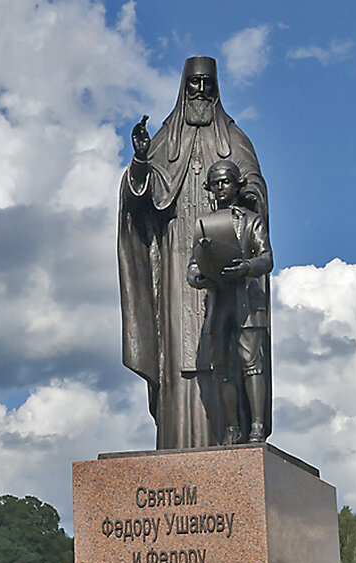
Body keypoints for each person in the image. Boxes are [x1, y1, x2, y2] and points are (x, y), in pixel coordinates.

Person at [117, 56, 270, 449]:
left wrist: (246, 198)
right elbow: (138, 198)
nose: (200, 91)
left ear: (215, 89)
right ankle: (176, 441)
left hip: (228, 270)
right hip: (176, 260)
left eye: (207, 84)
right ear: (183, 88)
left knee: (232, 356)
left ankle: (233, 432)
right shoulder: (165, 140)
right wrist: (139, 160)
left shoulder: (235, 140)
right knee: (177, 349)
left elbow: (255, 190)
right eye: (194, 84)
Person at [187, 160, 272, 444]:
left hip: (247, 302)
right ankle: (232, 427)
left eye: (225, 182)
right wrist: (201, 278)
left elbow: (266, 259)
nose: (220, 188)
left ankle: (257, 427)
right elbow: (192, 268)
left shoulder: (252, 220)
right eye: (215, 183)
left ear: (237, 184)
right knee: (221, 368)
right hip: (219, 303)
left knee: (251, 364)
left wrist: (246, 267)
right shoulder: (205, 224)